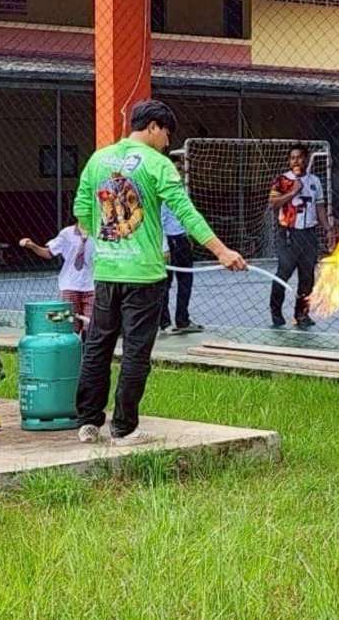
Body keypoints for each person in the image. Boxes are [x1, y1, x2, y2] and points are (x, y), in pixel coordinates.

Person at [73, 100, 245, 446]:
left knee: (97, 345)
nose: (168, 142)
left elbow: (82, 209)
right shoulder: (157, 164)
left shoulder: (98, 159)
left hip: (107, 271)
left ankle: (88, 422)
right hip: (144, 274)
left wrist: (109, 240)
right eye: (167, 133)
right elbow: (186, 212)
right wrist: (221, 251)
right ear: (153, 126)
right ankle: (124, 428)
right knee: (136, 352)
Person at [268, 144, 331, 328]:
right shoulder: (282, 180)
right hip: (288, 233)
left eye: (300, 157)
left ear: (306, 159)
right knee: (283, 273)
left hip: (309, 234)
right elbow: (273, 203)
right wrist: (293, 191)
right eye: (292, 158)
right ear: (289, 161)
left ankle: (301, 314)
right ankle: (275, 311)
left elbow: (319, 207)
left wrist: (327, 228)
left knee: (307, 277)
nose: (296, 161)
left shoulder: (315, 181)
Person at [19, 222, 95, 334]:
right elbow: (49, 253)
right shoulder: (67, 233)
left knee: (91, 325)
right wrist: (32, 246)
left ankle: (87, 344)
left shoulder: (99, 233)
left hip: (92, 284)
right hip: (70, 284)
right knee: (70, 324)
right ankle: (72, 344)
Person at [158, 204, 202, 334]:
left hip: (181, 237)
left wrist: (187, 234)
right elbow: (160, 218)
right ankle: (165, 322)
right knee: (166, 282)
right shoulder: (165, 194)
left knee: (186, 281)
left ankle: (182, 320)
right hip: (170, 238)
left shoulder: (181, 192)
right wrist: (164, 245)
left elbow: (184, 214)